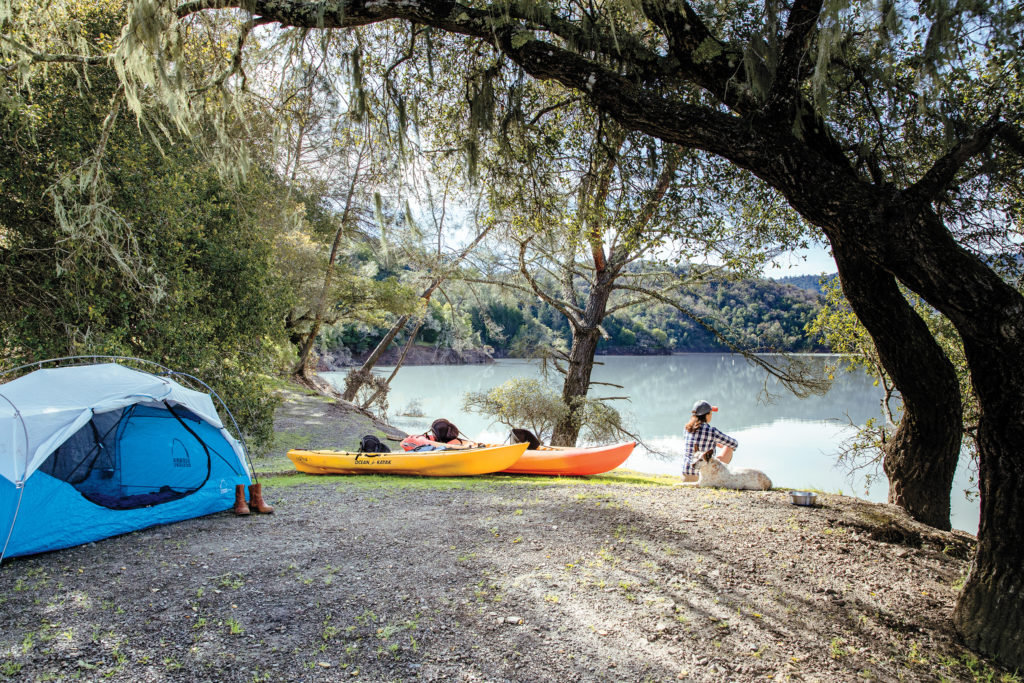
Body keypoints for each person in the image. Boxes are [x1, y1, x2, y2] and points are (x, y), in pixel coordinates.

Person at [681, 400, 738, 482]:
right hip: (703, 477)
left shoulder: (687, 429)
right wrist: (723, 445)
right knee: (729, 448)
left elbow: (699, 439)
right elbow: (734, 444)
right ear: (707, 416)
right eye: (711, 413)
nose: (711, 415)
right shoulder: (711, 431)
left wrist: (716, 443)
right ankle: (720, 478)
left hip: (686, 475)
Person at [400, 418, 479, 451]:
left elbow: (470, 444)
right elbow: (404, 443)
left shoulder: (453, 441)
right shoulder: (424, 439)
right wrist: (462, 447)